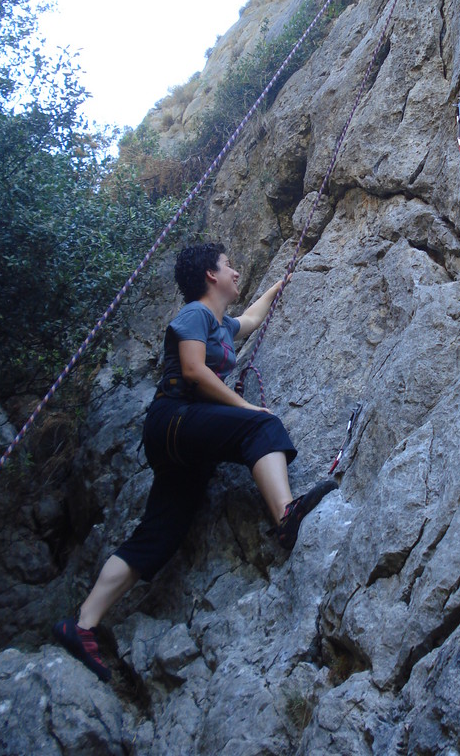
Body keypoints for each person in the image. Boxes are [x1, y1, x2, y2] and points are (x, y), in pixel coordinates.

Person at [53, 242, 337, 682]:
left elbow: (253, 319)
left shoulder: (220, 323)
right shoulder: (194, 315)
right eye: (230, 265)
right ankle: (285, 514)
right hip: (174, 419)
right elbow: (193, 370)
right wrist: (246, 407)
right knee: (262, 427)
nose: (237, 272)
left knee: (160, 535)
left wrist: (282, 282)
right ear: (210, 275)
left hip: (180, 440)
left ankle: (82, 623)